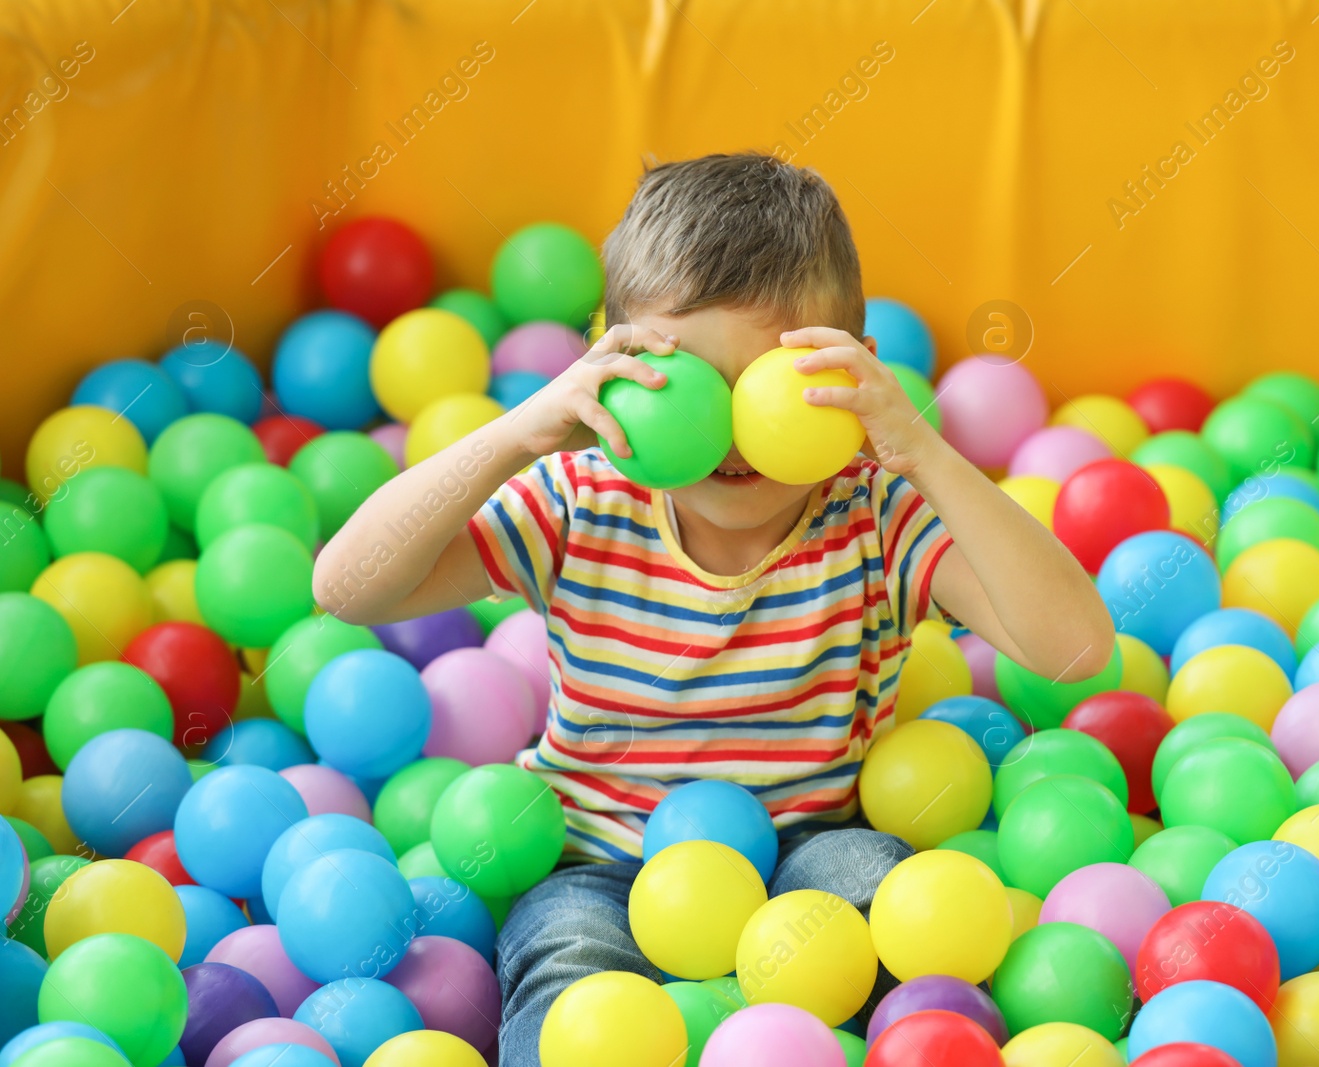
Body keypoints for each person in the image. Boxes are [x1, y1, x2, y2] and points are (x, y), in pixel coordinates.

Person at [314, 152, 1114, 1062]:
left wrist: (920, 449)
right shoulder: (580, 500)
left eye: (773, 387)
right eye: (692, 386)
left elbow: (1077, 650)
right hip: (601, 860)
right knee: (570, 978)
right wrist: (523, 428)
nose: (734, 438)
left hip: (809, 854)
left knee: (891, 916)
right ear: (607, 367)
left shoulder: (876, 514)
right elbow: (346, 586)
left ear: (858, 375)